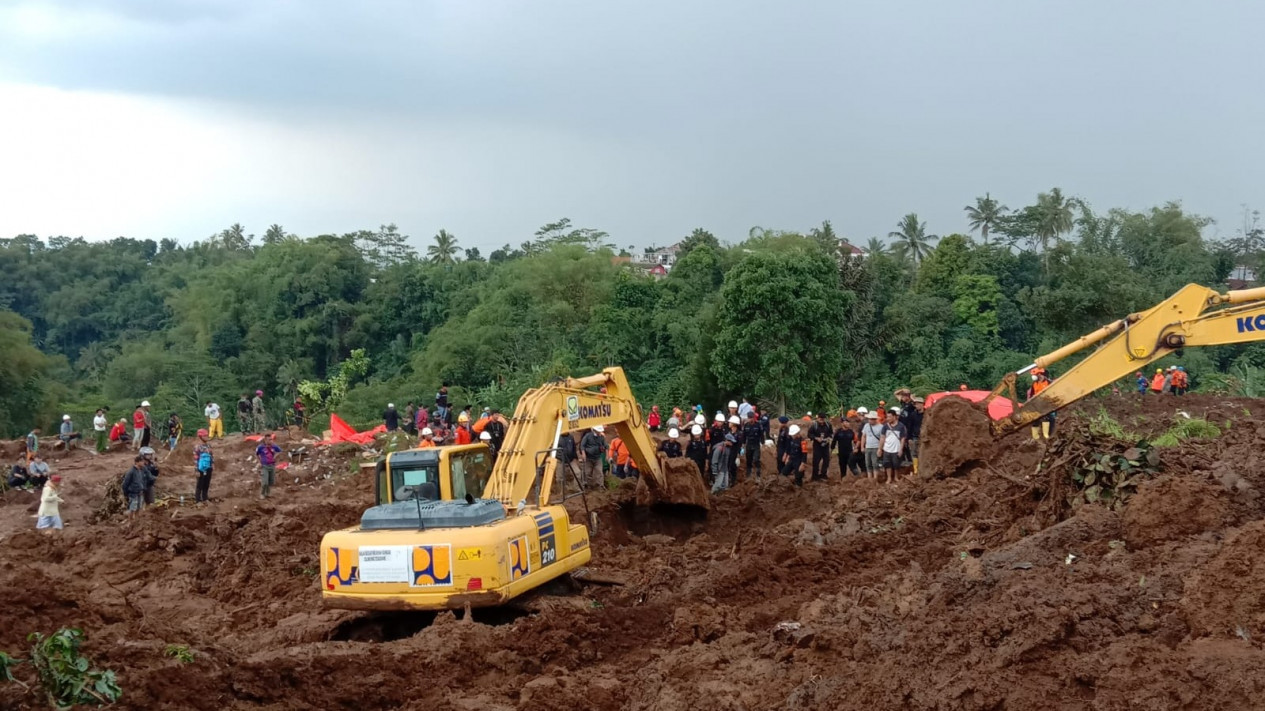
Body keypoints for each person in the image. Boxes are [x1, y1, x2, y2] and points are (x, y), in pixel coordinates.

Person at [881, 410, 907, 485]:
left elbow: (902, 439)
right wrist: (880, 448)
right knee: (887, 464)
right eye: (887, 417)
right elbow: (882, 437)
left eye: (889, 417)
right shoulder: (885, 426)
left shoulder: (901, 426)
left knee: (896, 464)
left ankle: (896, 477)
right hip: (887, 448)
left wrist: (901, 449)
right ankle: (889, 478)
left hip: (896, 449)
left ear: (894, 417)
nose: (888, 418)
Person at [1028, 368, 1055, 440]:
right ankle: (1035, 438)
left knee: (1046, 418)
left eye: (1035, 375)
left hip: (1046, 404)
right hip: (1036, 404)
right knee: (1035, 420)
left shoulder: (1048, 382)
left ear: (1039, 374)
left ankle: (1046, 436)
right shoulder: (1034, 384)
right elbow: (1031, 395)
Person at [808, 412, 833, 482]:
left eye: (823, 419)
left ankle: (823, 474)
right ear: (818, 418)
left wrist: (829, 438)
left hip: (825, 445)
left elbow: (831, 433)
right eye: (820, 419)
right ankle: (815, 476)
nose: (822, 421)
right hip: (817, 446)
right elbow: (809, 434)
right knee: (816, 461)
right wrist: (816, 438)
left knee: (826, 460)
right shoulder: (814, 425)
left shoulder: (828, 425)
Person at [832, 413, 860, 478]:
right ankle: (843, 478)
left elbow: (856, 441)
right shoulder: (838, 432)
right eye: (846, 422)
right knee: (842, 467)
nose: (848, 424)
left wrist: (856, 448)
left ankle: (857, 476)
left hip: (850, 452)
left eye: (848, 422)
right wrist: (833, 449)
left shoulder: (851, 432)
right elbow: (834, 441)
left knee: (852, 464)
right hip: (841, 452)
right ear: (842, 423)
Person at [256, 433, 282, 498]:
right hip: (264, 466)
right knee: (265, 482)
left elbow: (280, 451)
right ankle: (262, 494)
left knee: (271, 482)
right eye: (269, 439)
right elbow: (257, 454)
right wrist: (259, 462)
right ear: (265, 440)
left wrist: (275, 457)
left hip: (272, 465)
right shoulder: (260, 447)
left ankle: (267, 493)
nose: (271, 441)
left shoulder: (274, 446)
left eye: (271, 439)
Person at [861, 412, 884, 480]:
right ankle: (869, 478)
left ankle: (875, 479)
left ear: (875, 419)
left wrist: (880, 449)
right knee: (868, 464)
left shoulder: (880, 427)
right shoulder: (866, 426)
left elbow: (882, 438)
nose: (869, 421)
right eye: (869, 419)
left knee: (875, 464)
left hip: (876, 447)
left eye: (871, 419)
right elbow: (863, 436)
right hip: (868, 447)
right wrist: (862, 446)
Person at [193, 430, 213, 503]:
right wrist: (196, 470)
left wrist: (212, 464)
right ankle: (198, 500)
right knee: (200, 484)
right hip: (200, 468)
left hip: (208, 467)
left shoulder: (209, 446)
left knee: (206, 483)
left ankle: (205, 498)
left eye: (207, 435)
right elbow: (196, 459)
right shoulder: (198, 447)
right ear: (200, 437)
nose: (207, 437)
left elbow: (211, 456)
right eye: (205, 436)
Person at [741, 412, 763, 480]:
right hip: (749, 444)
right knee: (749, 460)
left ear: (754, 418)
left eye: (751, 418)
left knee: (756, 459)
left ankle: (758, 475)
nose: (750, 419)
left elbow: (761, 434)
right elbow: (744, 436)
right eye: (749, 418)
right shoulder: (746, 425)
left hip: (756, 444)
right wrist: (743, 445)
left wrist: (762, 443)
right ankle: (748, 475)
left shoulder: (758, 425)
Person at [907, 396, 925, 474]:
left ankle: (923, 468)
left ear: (922, 404)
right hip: (915, 437)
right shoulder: (913, 415)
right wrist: (909, 438)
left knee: (923, 453)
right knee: (914, 453)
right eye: (916, 404)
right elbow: (910, 426)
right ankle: (916, 469)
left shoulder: (927, 414)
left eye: (918, 404)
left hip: (924, 437)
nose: (916, 405)